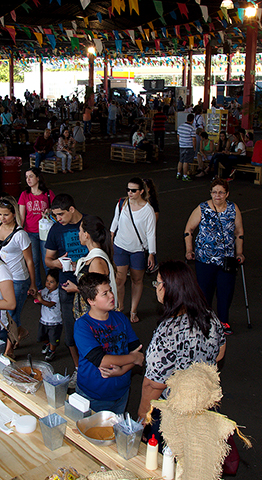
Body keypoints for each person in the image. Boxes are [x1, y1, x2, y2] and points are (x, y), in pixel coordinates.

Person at [137, 261, 226, 429]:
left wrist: (143, 414)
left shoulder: (168, 331)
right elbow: (220, 353)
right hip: (202, 403)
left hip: (172, 412)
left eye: (158, 282)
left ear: (168, 288)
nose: (156, 287)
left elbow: (153, 384)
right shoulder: (210, 317)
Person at [73, 272, 143, 414]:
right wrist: (134, 359)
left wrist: (123, 370)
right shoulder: (83, 326)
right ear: (91, 301)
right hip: (92, 396)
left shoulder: (120, 318)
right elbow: (101, 361)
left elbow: (138, 351)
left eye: (110, 290)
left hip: (121, 392)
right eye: (105, 294)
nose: (112, 295)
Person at [184, 179, 244, 335]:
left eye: (221, 192)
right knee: (204, 292)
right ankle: (204, 320)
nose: (218, 195)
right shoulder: (202, 208)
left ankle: (223, 321)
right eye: (214, 192)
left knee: (226, 291)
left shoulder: (233, 208)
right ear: (210, 193)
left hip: (227, 259)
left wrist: (239, 253)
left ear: (227, 194)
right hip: (205, 258)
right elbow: (189, 230)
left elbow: (239, 233)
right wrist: (189, 250)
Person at [44, 194, 88, 366]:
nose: (58, 218)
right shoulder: (56, 229)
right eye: (55, 215)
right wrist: (56, 263)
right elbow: (47, 259)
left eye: (61, 214)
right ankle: (78, 367)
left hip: (89, 285)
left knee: (92, 329)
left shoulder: (88, 224)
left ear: (72, 209)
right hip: (66, 286)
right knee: (70, 330)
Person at [109, 178, 157, 323]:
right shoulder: (121, 203)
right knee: (119, 280)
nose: (130, 193)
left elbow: (151, 233)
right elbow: (115, 221)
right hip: (120, 247)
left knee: (137, 280)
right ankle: (120, 307)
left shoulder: (148, 210)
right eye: (128, 190)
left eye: (133, 190)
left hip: (137, 250)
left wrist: (151, 254)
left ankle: (133, 311)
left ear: (141, 191)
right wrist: (111, 238)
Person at [0, 196, 35, 355]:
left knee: (11, 313)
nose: (3, 218)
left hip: (18, 279)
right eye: (0, 214)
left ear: (14, 214)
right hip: (2, 277)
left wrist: (33, 284)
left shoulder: (20, 234)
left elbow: (30, 261)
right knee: (3, 312)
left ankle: (8, 350)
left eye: (6, 215)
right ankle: (18, 332)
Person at [62, 214, 117, 324]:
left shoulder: (97, 262)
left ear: (86, 235)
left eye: (80, 231)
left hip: (95, 320)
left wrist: (76, 288)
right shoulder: (93, 258)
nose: (78, 234)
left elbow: (99, 293)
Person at [18, 168, 55, 290]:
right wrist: (19, 231)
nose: (28, 179)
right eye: (26, 177)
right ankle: (37, 288)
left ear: (38, 178)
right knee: (33, 262)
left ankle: (52, 288)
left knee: (47, 262)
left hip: (46, 233)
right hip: (30, 233)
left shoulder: (48, 194)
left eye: (31, 176)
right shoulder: (24, 195)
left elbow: (56, 210)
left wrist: (50, 210)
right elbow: (22, 216)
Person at [36, 269, 63, 361]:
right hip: (44, 319)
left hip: (55, 321)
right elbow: (38, 295)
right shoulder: (45, 290)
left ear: (58, 283)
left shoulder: (57, 294)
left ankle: (52, 351)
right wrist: (34, 294)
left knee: (53, 338)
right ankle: (47, 344)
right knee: (41, 336)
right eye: (47, 281)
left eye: (51, 282)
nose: (48, 283)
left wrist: (41, 300)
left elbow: (50, 304)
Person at [177, 113, 197, 181]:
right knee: (186, 161)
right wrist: (194, 148)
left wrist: (180, 142)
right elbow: (193, 139)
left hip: (182, 145)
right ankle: (185, 175)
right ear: (192, 120)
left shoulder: (180, 126)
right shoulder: (192, 128)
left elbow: (178, 136)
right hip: (188, 146)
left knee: (181, 160)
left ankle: (178, 173)